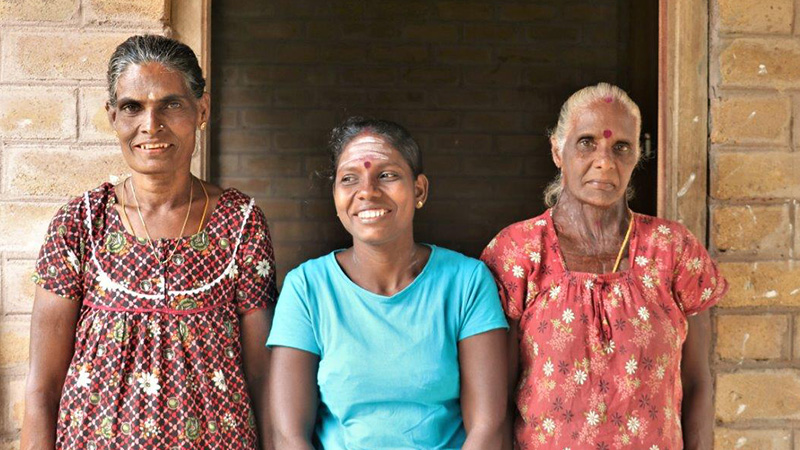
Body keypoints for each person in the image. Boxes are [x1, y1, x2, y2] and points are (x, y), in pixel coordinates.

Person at [20, 35, 277, 449]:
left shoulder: (241, 222)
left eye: (171, 104)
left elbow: (264, 379)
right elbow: (41, 388)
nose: (151, 125)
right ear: (112, 116)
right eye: (132, 107)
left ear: (202, 110)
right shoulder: (80, 224)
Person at [480, 83, 728, 450]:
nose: (604, 161)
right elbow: (494, 399)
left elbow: (697, 383)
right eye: (586, 143)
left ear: (637, 156)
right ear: (556, 150)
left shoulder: (673, 249)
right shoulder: (519, 251)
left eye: (621, 147)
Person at [267, 117, 508, 449]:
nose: (367, 191)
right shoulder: (307, 288)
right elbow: (288, 435)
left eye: (387, 175)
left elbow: (488, 428)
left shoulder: (466, 282)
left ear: (419, 189)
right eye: (349, 179)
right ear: (336, 196)